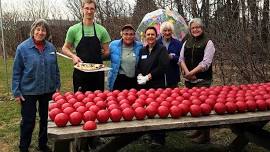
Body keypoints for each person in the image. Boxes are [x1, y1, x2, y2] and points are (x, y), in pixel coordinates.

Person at [12, 19, 60, 152]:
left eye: (43, 30)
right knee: (28, 121)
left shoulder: (51, 48)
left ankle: (43, 144)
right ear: (33, 31)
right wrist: (16, 91)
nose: (40, 32)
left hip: (48, 90)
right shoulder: (22, 48)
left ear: (47, 32)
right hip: (28, 91)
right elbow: (17, 71)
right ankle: (24, 147)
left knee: (46, 120)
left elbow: (56, 69)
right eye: (38, 29)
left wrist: (57, 85)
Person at [179, 18, 216, 143]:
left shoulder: (208, 42)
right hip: (189, 80)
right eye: (193, 28)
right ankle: (198, 130)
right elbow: (181, 59)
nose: (195, 29)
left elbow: (206, 63)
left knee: (203, 107)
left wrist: (191, 73)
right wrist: (186, 73)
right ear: (190, 29)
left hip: (202, 80)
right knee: (194, 106)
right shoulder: (187, 41)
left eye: (197, 27)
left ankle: (206, 136)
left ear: (202, 28)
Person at [62, 0, 111, 92]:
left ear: (95, 10)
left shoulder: (102, 30)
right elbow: (65, 48)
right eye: (87, 8)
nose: (89, 11)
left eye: (92, 9)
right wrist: (73, 56)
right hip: (80, 73)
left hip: (97, 73)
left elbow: (107, 51)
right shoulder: (73, 29)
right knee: (80, 103)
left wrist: (98, 58)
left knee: (98, 102)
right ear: (82, 9)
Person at [136, 26, 170, 146]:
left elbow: (163, 67)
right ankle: (149, 134)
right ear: (145, 36)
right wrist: (140, 74)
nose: (150, 36)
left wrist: (149, 76)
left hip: (157, 86)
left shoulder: (161, 50)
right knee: (147, 111)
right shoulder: (142, 50)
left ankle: (159, 138)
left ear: (156, 36)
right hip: (144, 87)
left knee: (158, 111)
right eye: (148, 34)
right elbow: (138, 65)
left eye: (152, 34)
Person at [108, 24, 143, 91]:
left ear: (134, 35)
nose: (128, 36)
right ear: (121, 34)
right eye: (126, 34)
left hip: (134, 80)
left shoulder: (140, 46)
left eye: (131, 34)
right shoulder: (113, 45)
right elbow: (105, 55)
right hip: (119, 80)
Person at [157, 21, 182, 88]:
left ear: (172, 31)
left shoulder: (178, 43)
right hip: (159, 77)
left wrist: (172, 57)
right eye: (165, 30)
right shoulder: (157, 43)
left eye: (169, 30)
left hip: (173, 76)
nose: (167, 33)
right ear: (161, 31)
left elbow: (181, 59)